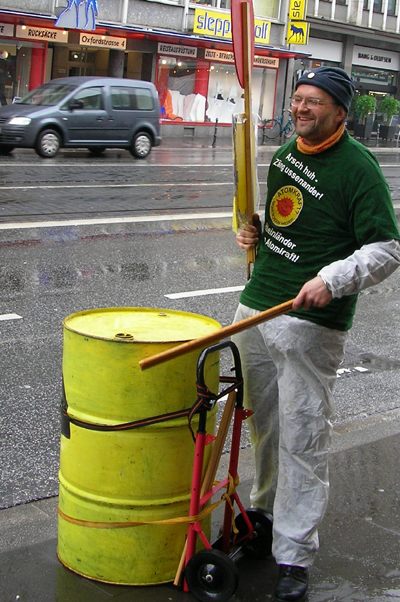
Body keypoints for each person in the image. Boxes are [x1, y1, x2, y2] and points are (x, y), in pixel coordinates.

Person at [232, 67, 400, 602]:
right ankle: (262, 517)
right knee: (263, 428)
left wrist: (334, 278)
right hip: (256, 309)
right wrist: (253, 232)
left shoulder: (359, 168)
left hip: (312, 325)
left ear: (339, 112)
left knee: (303, 438)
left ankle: (294, 557)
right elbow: (286, 226)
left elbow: (387, 248)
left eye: (315, 102)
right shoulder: (285, 156)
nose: (302, 108)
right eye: (299, 99)